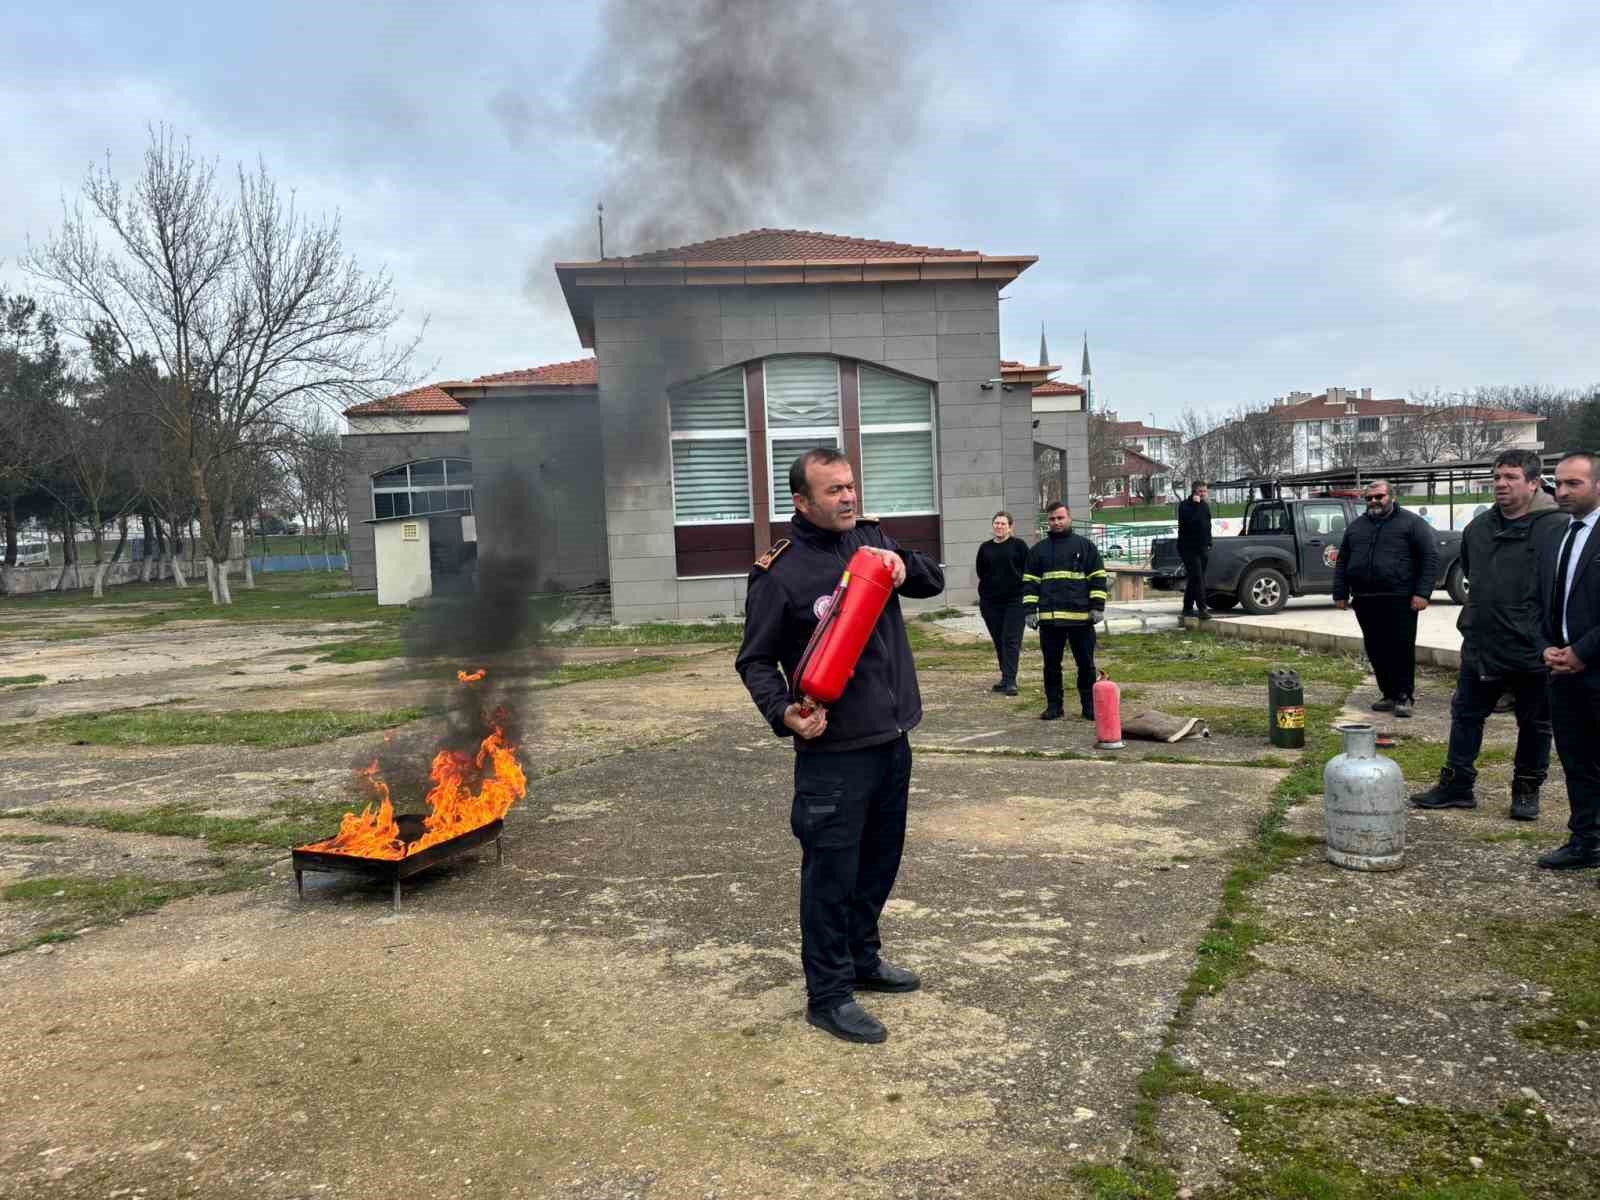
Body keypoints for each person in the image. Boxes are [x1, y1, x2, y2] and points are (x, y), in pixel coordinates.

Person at [735, 447, 946, 1043]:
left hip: (892, 736)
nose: (848, 497)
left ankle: (862, 959)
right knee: (830, 874)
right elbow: (753, 660)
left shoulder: (874, 541)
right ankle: (827, 994)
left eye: (851, 486)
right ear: (801, 501)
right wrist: (784, 714)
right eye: (833, 491)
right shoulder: (781, 573)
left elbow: (933, 580)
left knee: (879, 864)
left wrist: (904, 565)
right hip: (833, 754)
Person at [1411, 450, 1560, 819]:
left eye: (1510, 477)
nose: (1501, 484)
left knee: (1536, 724)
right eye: (1497, 477)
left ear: (1533, 482)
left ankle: (1526, 789)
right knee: (1465, 715)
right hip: (1483, 644)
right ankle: (1457, 785)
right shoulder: (1478, 529)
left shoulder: (1556, 527)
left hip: (1533, 648)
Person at [1535, 452, 1600, 870]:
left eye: (1573, 484)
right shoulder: (1560, 534)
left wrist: (1582, 652)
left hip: (1594, 666)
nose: (1562, 492)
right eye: (1558, 483)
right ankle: (1586, 842)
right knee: (1575, 760)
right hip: (1562, 671)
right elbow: (1546, 599)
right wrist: (1548, 645)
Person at [1332, 479, 1439, 719]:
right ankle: (1388, 694)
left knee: (1400, 648)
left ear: (1392, 497)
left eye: (1378, 496)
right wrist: (1340, 592)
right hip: (1365, 599)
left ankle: (1404, 696)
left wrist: (1422, 593)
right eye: (1369, 498)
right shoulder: (1357, 527)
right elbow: (1343, 560)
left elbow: (1430, 557)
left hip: (1400, 598)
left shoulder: (1412, 524)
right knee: (1376, 649)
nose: (1373, 501)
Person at [1022, 501, 1107, 721]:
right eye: (1052, 519)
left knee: (1086, 665)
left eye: (1060, 518)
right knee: (1051, 666)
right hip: (1050, 622)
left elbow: (1098, 578)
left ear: (1069, 518)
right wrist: (1030, 611)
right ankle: (1054, 707)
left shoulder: (1085, 546)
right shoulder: (1038, 551)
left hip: (1081, 620)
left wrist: (1097, 607)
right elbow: (1030, 583)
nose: (1056, 522)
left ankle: (1089, 707)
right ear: (1047, 521)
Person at [975, 510, 1030, 696]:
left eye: (1003, 524)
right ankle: (1005, 677)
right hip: (991, 602)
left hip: (1015, 600)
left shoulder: (1019, 546)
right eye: (996, 523)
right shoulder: (985, 548)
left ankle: (1011, 681)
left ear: (1010, 527)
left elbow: (1027, 570)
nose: (999, 526)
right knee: (999, 640)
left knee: (1011, 640)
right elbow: (981, 571)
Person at [1177, 482, 1214, 619]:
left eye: (1205, 491)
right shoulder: (1185, 506)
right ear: (1194, 492)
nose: (1203, 494)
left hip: (1202, 547)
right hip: (1188, 548)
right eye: (1200, 491)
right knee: (1198, 578)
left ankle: (1187, 607)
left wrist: (1209, 542)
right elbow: (1192, 523)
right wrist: (1196, 505)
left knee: (1194, 578)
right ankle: (1202, 609)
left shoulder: (1204, 506)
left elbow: (1207, 525)